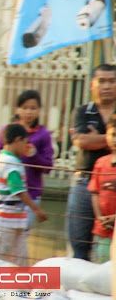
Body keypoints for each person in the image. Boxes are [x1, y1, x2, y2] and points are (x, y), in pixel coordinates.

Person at [0, 90, 54, 228]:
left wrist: (33, 155)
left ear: (39, 110)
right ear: (17, 109)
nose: (28, 112)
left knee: (22, 231)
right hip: (5, 194)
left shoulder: (43, 135)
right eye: (25, 108)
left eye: (33, 108)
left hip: (30, 194)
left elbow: (48, 166)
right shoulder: (8, 130)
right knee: (2, 230)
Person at [0, 123, 48, 266]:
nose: (26, 147)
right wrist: (36, 209)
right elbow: (19, 191)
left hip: (14, 219)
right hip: (3, 220)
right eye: (25, 142)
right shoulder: (9, 162)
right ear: (17, 140)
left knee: (18, 260)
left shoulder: (9, 159)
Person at [67, 64, 116, 260]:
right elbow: (81, 141)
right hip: (84, 183)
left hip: (113, 186)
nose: (106, 86)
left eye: (112, 81)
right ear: (92, 85)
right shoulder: (82, 111)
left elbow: (89, 141)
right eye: (101, 81)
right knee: (79, 245)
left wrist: (96, 138)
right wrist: (110, 138)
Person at [87, 113, 116, 263]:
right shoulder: (100, 163)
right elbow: (95, 192)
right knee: (99, 267)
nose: (115, 139)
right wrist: (100, 217)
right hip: (102, 228)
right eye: (113, 134)